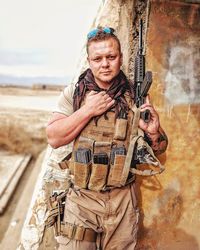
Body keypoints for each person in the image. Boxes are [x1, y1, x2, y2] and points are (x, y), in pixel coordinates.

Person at [46, 27, 168, 250]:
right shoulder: (75, 94)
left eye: (111, 57)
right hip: (82, 200)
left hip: (122, 201)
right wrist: (87, 110)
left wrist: (153, 132)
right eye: (98, 58)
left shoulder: (135, 95)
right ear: (89, 61)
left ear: (120, 58)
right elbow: (54, 137)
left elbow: (159, 149)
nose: (105, 64)